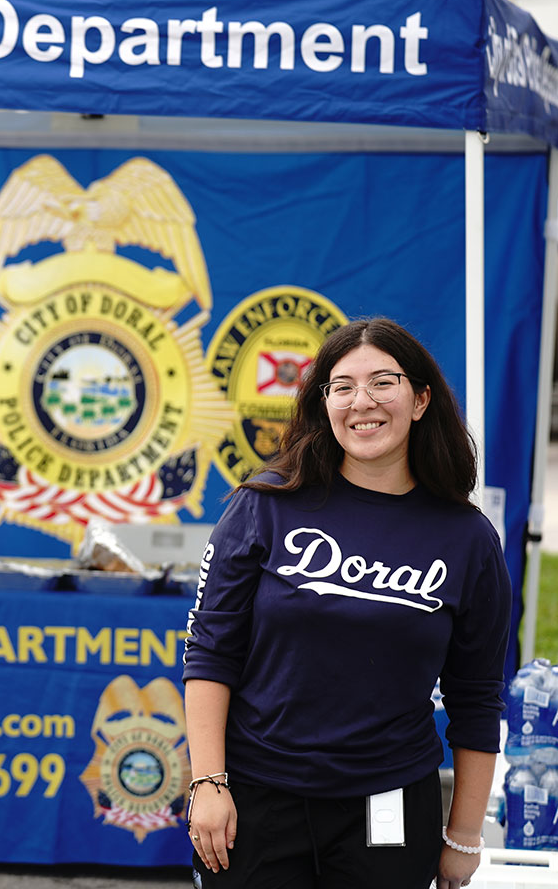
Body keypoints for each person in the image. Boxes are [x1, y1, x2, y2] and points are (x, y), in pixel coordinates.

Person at [182, 318, 510, 889]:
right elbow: (210, 654)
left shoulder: (469, 540)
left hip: (389, 807)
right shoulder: (264, 506)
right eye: (343, 386)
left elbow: (477, 697)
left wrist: (463, 836)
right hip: (256, 802)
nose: (363, 402)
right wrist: (208, 784)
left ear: (421, 398)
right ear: (323, 402)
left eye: (384, 382)